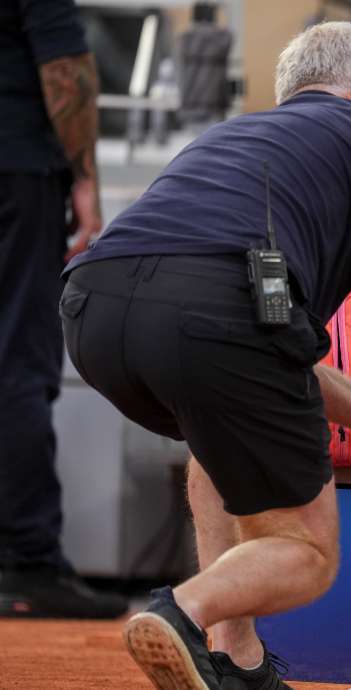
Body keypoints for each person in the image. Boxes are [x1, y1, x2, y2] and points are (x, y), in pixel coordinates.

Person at [60, 21, 351, 690]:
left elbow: (274, 366)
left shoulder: (230, 138)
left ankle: (234, 660)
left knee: (215, 433)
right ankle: (183, 610)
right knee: (307, 554)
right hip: (215, 314)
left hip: (93, 317)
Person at [0, 0, 129, 620]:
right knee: (18, 362)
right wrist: (85, 178)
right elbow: (63, 66)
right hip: (16, 167)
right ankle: (27, 561)